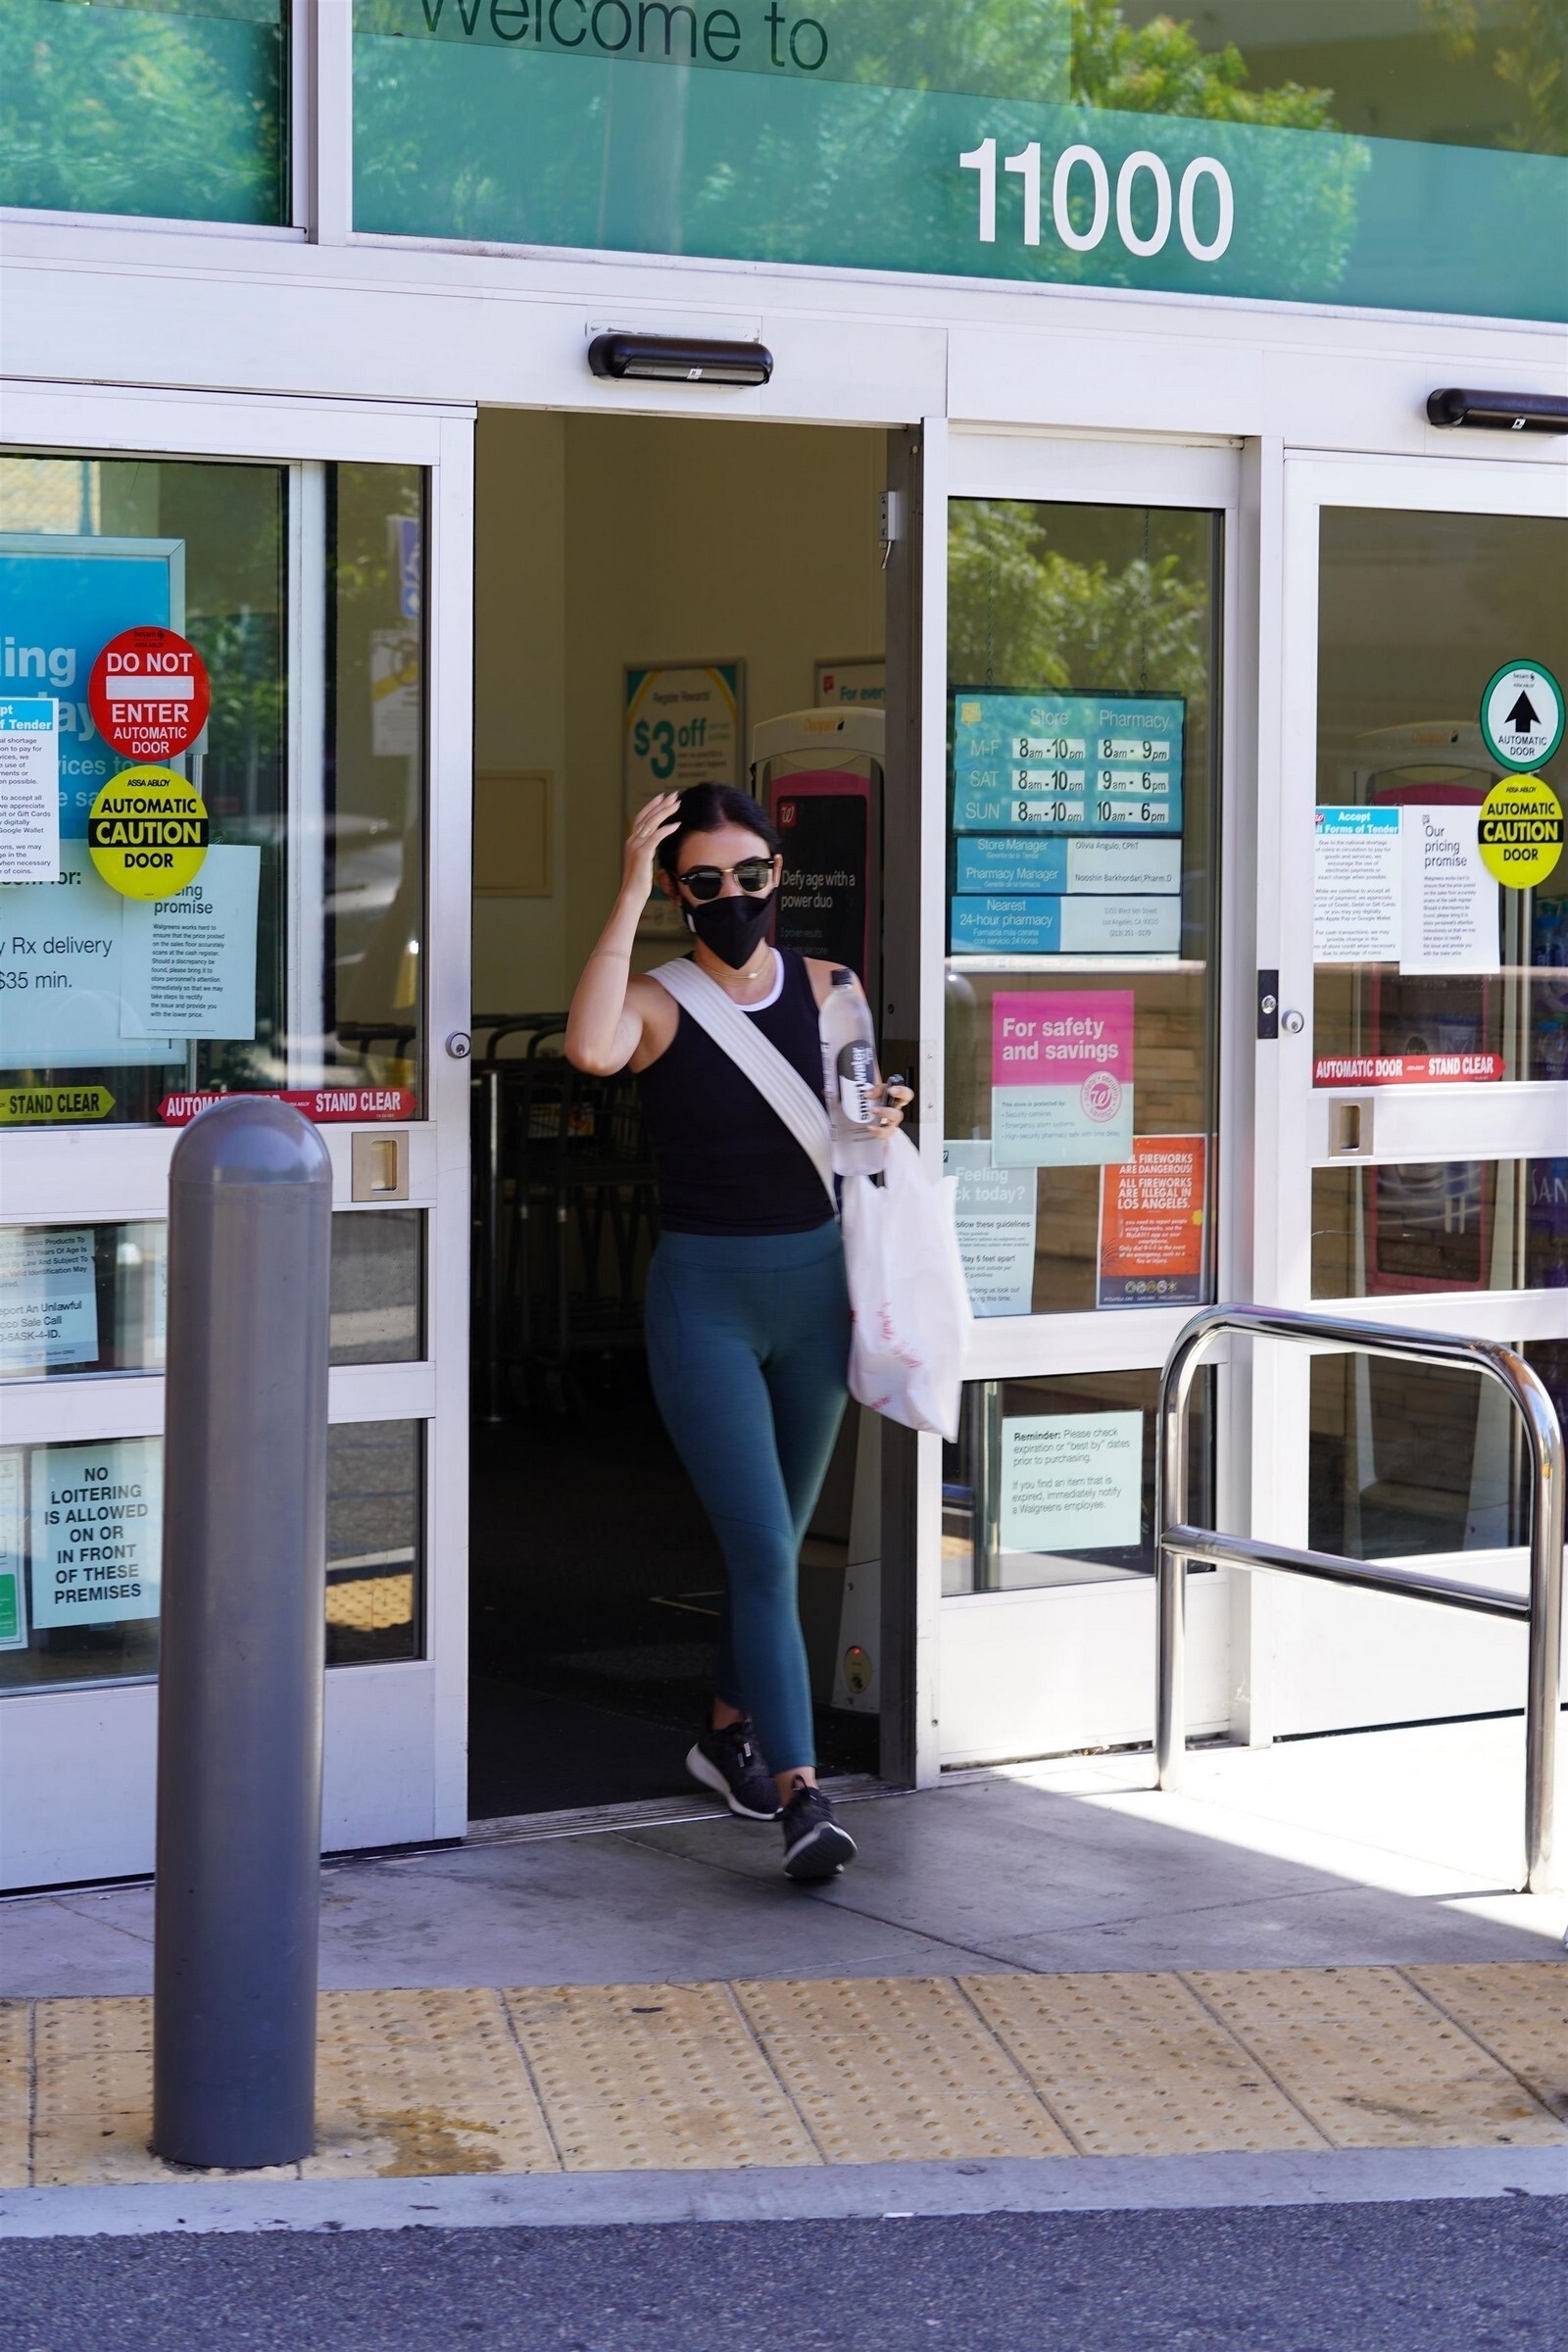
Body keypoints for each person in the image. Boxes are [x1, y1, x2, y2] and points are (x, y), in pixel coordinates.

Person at [564, 784, 910, 1880]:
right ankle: (804, 1795)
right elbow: (589, 1049)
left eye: (750, 875)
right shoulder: (656, 1002)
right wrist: (628, 888)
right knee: (764, 1550)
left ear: (778, 875)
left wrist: (886, 1114)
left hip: (816, 1293)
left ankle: (725, 1733)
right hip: (705, 1300)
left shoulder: (833, 985)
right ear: (678, 890)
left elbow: (856, 1133)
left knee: (772, 1542)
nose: (732, 897)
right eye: (703, 881)